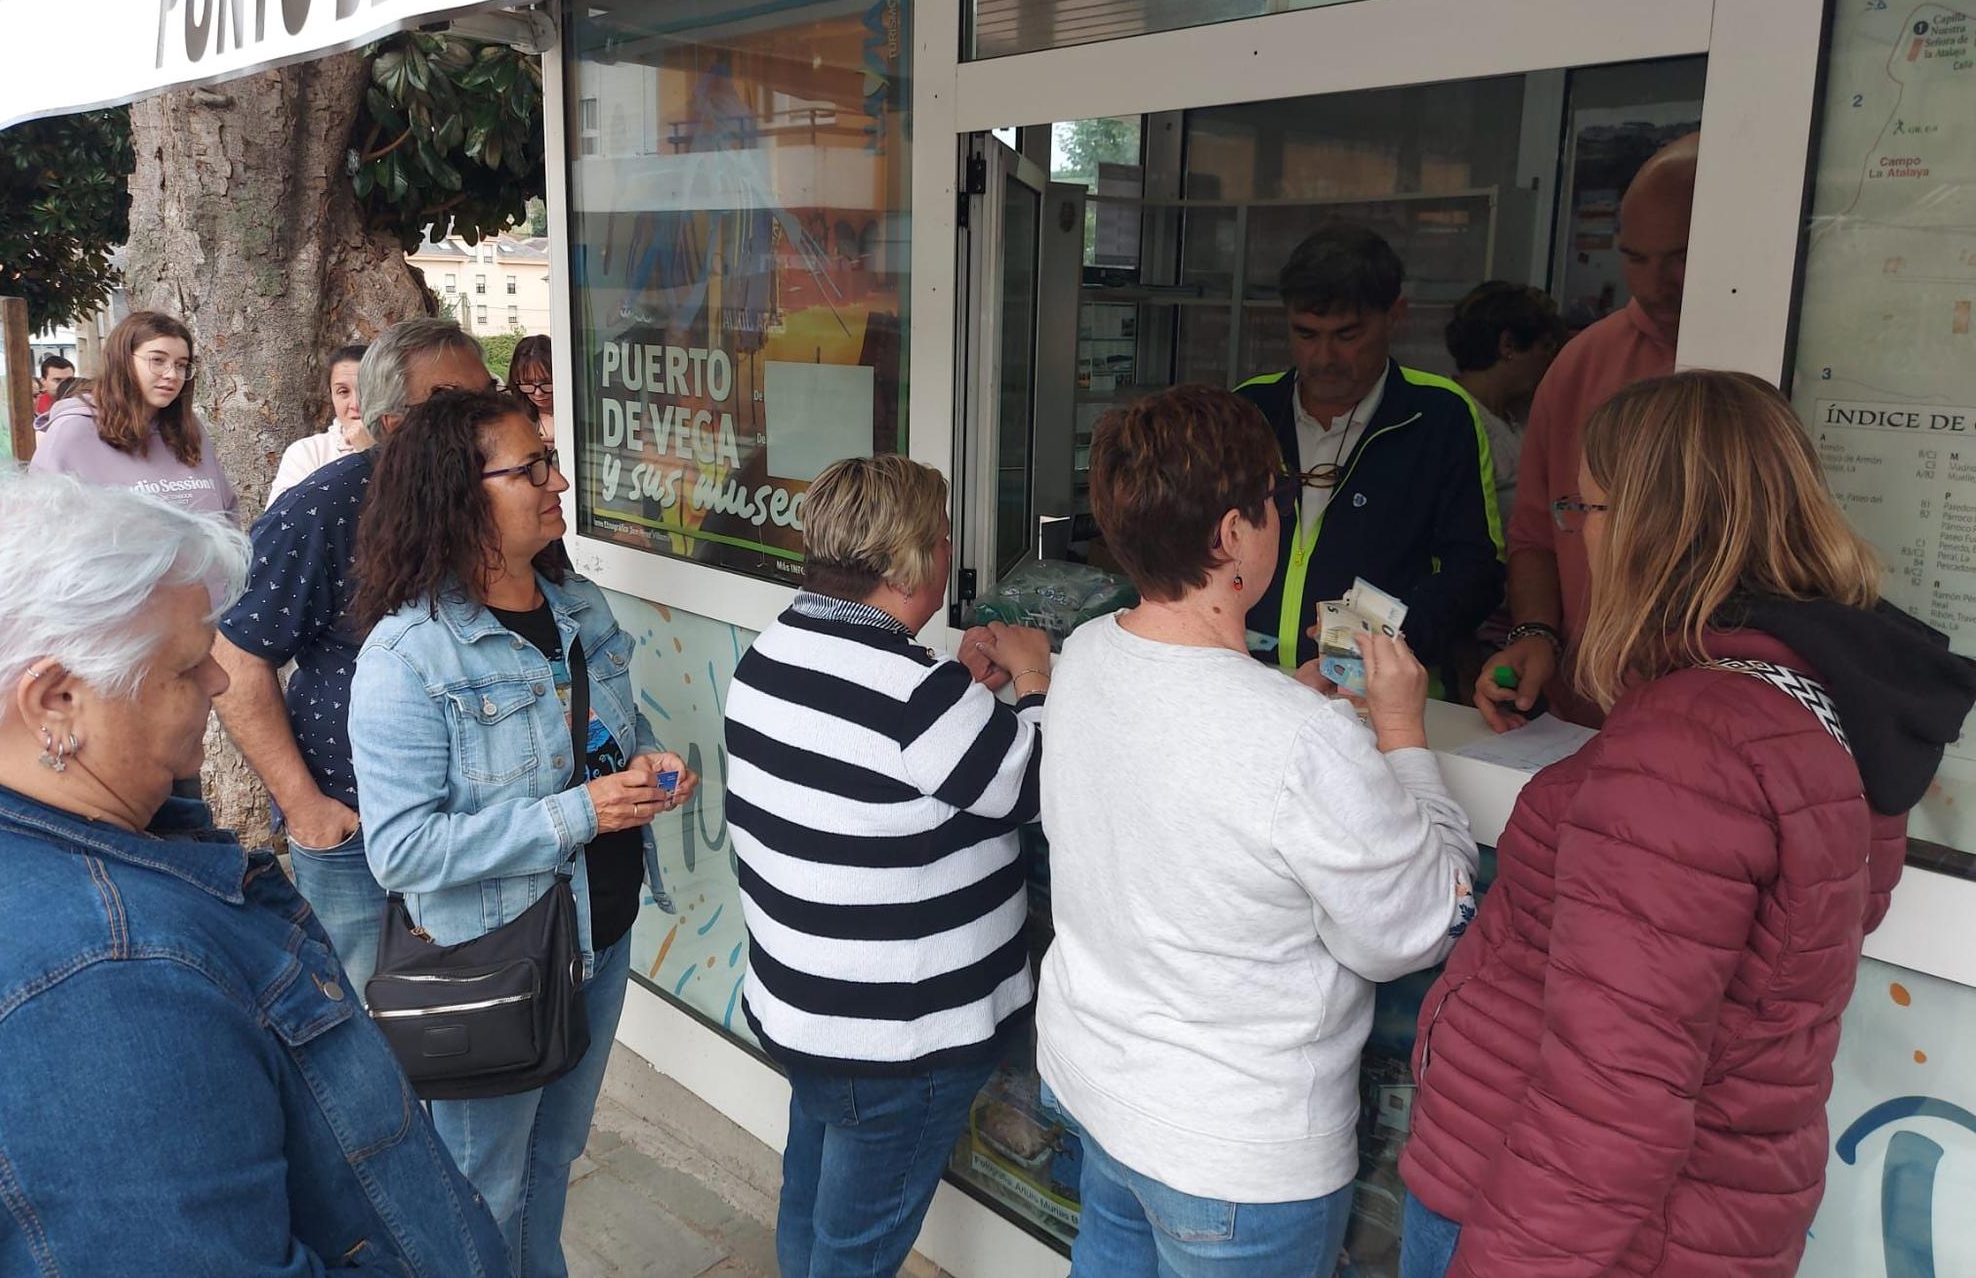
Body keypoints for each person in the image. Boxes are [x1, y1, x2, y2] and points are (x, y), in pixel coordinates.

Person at [1397, 371, 1976, 1278]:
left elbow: (1611, 1096)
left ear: (1647, 525)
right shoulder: (1828, 696)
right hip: (1712, 1212)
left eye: (1582, 506)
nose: (1576, 529)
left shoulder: (1688, 750)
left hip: (1544, 1219)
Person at [0, 463, 512, 1277]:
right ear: (56, 701)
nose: (221, 680)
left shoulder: (72, 859)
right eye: (187, 667)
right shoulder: (106, 978)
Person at [1036, 384, 1478, 1278]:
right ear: (1235, 535)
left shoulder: (1084, 655)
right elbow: (1424, 922)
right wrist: (1399, 733)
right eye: (1275, 501)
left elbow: (1196, 748)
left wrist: (1289, 705)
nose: (1281, 516)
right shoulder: (1297, 740)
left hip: (1095, 1084)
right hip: (1231, 1153)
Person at [349, 388, 692, 1278]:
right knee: (479, 1194)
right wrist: (582, 813)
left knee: (551, 1163)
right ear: (457, 495)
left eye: (551, 459)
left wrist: (649, 767)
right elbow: (402, 850)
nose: (559, 480)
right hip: (496, 963)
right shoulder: (406, 658)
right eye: (531, 467)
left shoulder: (576, 607)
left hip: (599, 937)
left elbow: (610, 732)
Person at [723, 454, 1052, 1278]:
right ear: (914, 561)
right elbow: (1041, 785)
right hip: (899, 1044)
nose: (949, 554)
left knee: (810, 1207)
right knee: (858, 1251)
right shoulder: (919, 694)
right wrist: (1037, 676)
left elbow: (883, 760)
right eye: (943, 539)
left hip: (807, 1013)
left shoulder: (774, 649)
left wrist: (964, 690)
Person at [212, 317, 496, 994]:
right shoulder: (325, 509)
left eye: (490, 396)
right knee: (378, 1033)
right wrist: (305, 806)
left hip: (488, 827)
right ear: (395, 425)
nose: (487, 418)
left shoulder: (506, 496)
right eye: (458, 404)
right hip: (357, 830)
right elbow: (237, 661)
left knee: (490, 1030)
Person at [1476, 133, 1698, 729]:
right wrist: (1536, 632)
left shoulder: (1777, 358)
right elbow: (1534, 533)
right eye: (1635, 258)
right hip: (1586, 720)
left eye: (1679, 255)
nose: (1655, 285)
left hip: (1720, 730)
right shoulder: (1580, 364)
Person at [1236, 221, 1503, 673]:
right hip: (1248, 676)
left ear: (1396, 315)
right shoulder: (1248, 409)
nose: (1323, 359)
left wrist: (1392, 639)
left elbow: (1477, 568)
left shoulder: (1438, 415)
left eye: (1346, 335)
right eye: (1305, 334)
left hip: (1376, 688)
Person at [29, 309, 237, 519]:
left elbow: (227, 512)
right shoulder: (74, 430)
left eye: (181, 365)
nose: (172, 375)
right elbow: (44, 525)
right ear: (123, 361)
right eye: (157, 360)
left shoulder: (189, 428)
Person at [1444, 282, 1563, 525]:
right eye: (1546, 347)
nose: (1550, 361)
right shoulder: (1453, 421)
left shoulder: (1515, 417)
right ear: (1508, 345)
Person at [267, 344, 370, 504]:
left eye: (366, 389)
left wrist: (369, 452)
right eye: (343, 392)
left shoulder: (409, 449)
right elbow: (282, 521)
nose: (355, 404)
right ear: (331, 396)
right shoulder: (307, 452)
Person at [508, 333, 556, 443]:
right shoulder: (511, 417)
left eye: (546, 382)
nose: (538, 393)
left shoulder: (580, 413)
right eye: (528, 383)